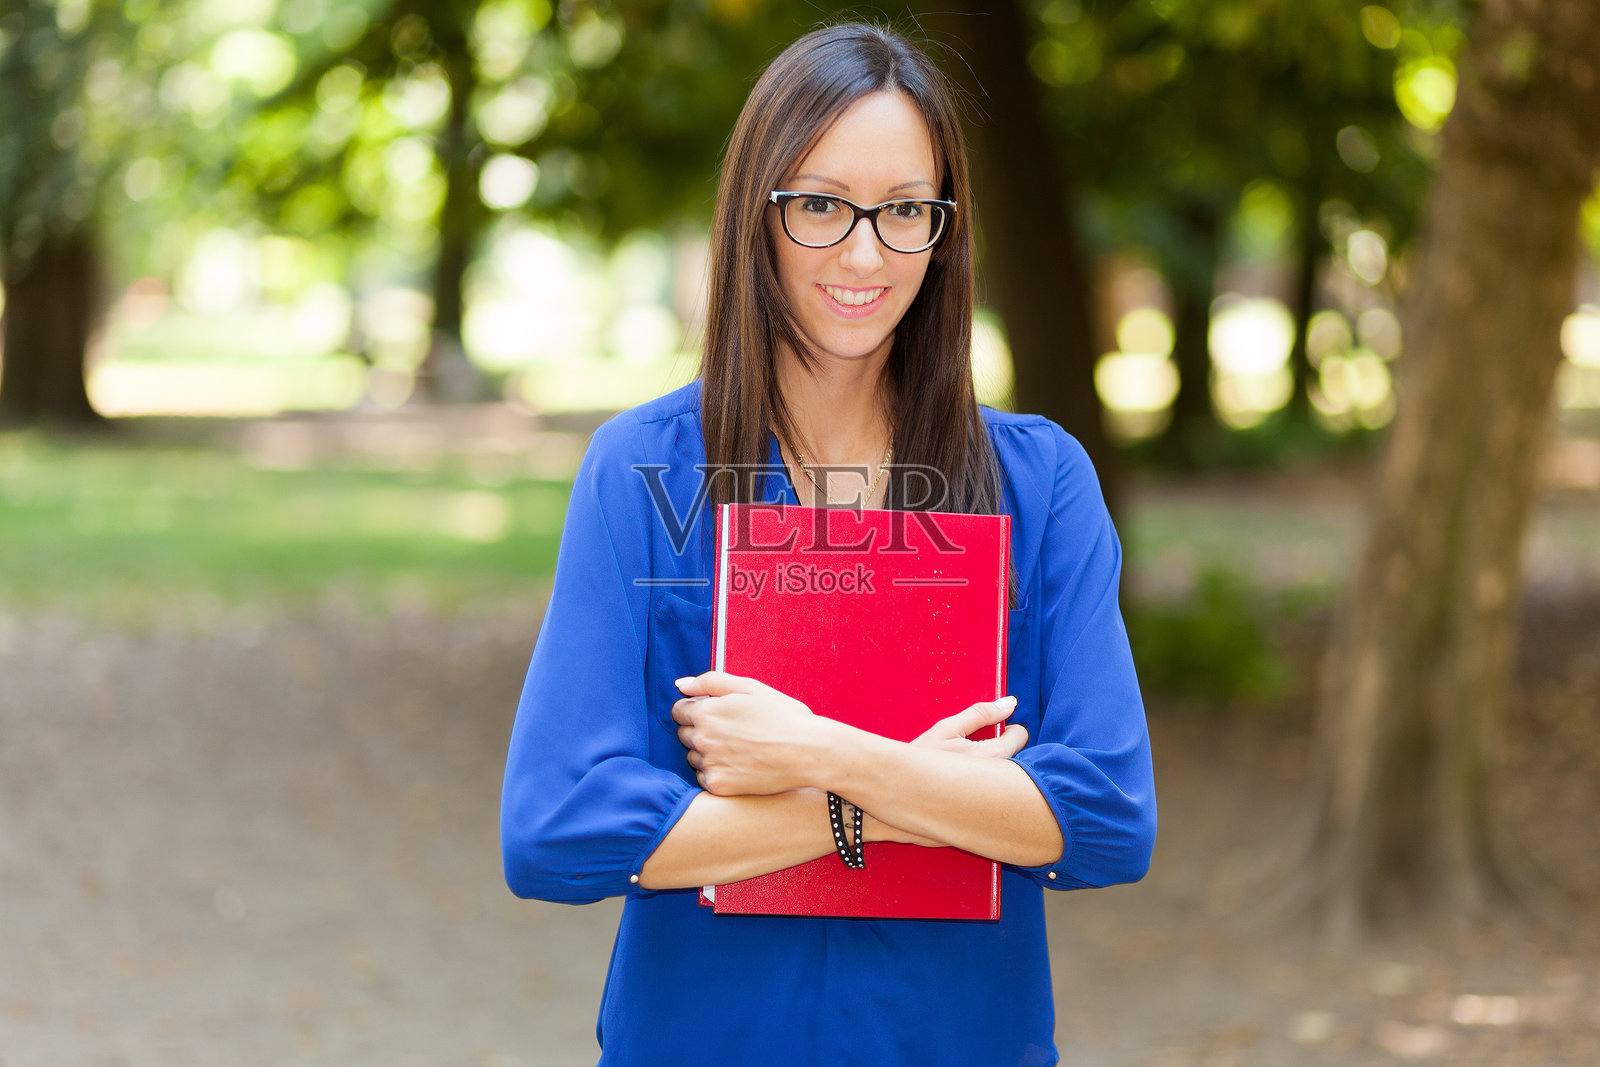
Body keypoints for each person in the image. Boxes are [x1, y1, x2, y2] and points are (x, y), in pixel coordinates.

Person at [500, 22, 1155, 1067]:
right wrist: (925, 797)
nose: (864, 252)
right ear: (754, 216)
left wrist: (817, 756)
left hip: (959, 1041)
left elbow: (1107, 818)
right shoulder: (644, 470)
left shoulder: (1039, 483)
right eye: (819, 205)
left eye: (904, 210)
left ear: (944, 230)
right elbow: (556, 830)